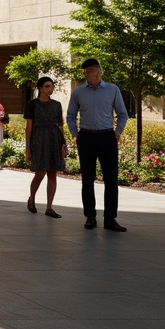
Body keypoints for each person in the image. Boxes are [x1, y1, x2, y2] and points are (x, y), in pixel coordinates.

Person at [67, 58, 129, 232]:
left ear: (99, 72)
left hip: (107, 136)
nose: (87, 74)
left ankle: (110, 218)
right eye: (85, 71)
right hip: (86, 137)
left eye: (91, 70)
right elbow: (71, 115)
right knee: (87, 179)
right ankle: (90, 216)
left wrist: (117, 134)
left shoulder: (112, 90)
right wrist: (75, 134)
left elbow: (123, 114)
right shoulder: (78, 92)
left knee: (111, 179)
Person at [25, 76, 68, 218]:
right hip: (38, 139)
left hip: (54, 139)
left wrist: (64, 144)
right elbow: (28, 127)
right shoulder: (32, 104)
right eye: (47, 86)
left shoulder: (56, 104)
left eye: (52, 86)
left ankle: (49, 207)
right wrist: (28, 148)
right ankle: (32, 198)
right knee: (40, 172)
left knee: (52, 173)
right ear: (40, 88)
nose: (51, 89)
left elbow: (60, 125)